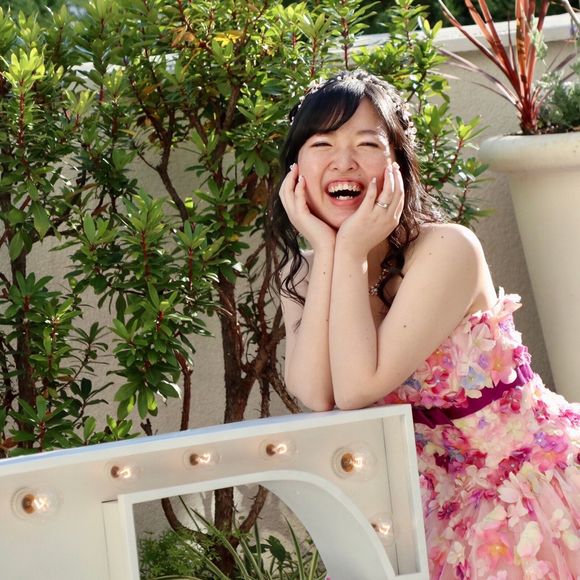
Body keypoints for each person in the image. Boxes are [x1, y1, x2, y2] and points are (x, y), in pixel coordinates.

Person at [270, 69, 580, 578]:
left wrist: (349, 250)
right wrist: (328, 249)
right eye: (322, 144)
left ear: (397, 164)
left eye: (367, 143)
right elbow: (315, 393)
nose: (343, 161)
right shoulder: (306, 269)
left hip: (528, 493)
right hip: (429, 514)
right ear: (295, 170)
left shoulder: (446, 249)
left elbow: (357, 388)